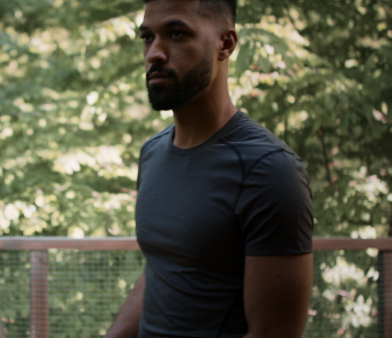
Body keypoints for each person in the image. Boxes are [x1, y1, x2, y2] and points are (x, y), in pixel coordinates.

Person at [107, 0, 314, 337]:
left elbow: (274, 333)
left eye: (176, 34)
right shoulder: (153, 152)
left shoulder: (269, 171)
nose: (154, 54)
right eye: (147, 37)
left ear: (226, 44)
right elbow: (163, 270)